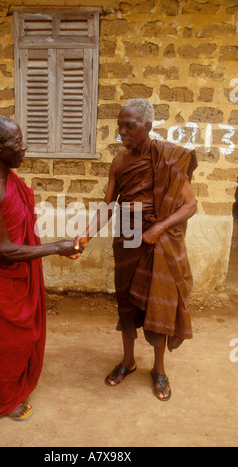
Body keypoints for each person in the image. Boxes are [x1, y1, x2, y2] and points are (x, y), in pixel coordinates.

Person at [0, 115, 81, 420]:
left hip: (17, 272)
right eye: (18, 143)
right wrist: (57, 247)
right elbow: (2, 249)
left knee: (23, 334)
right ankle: (1, 399)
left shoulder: (7, 178)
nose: (25, 148)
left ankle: (14, 384)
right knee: (3, 339)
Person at [75, 99, 197, 401]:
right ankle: (128, 361)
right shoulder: (119, 162)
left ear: (148, 127)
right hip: (127, 238)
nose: (122, 132)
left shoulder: (169, 158)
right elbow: (107, 204)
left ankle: (158, 369)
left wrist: (159, 227)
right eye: (120, 126)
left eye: (130, 126)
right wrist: (87, 234)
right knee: (127, 303)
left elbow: (190, 205)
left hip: (161, 242)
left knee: (158, 304)